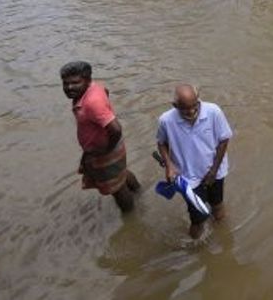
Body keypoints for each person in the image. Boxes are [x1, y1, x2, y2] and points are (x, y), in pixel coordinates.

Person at [60, 61, 140, 212]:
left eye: (75, 83)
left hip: (105, 149)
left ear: (87, 80)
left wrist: (105, 150)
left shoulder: (92, 103)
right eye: (65, 83)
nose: (69, 88)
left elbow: (116, 129)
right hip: (108, 146)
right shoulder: (94, 88)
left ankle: (130, 215)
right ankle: (138, 191)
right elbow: (106, 91)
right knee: (120, 174)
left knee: (116, 189)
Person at [156, 84, 233, 239]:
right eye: (185, 109)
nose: (191, 112)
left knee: (217, 205)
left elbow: (224, 140)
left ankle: (224, 239)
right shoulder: (166, 120)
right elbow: (161, 143)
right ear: (175, 106)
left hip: (214, 171)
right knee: (197, 220)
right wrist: (169, 166)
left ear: (199, 100)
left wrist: (213, 171)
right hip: (188, 178)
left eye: (195, 106)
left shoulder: (213, 112)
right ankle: (195, 250)